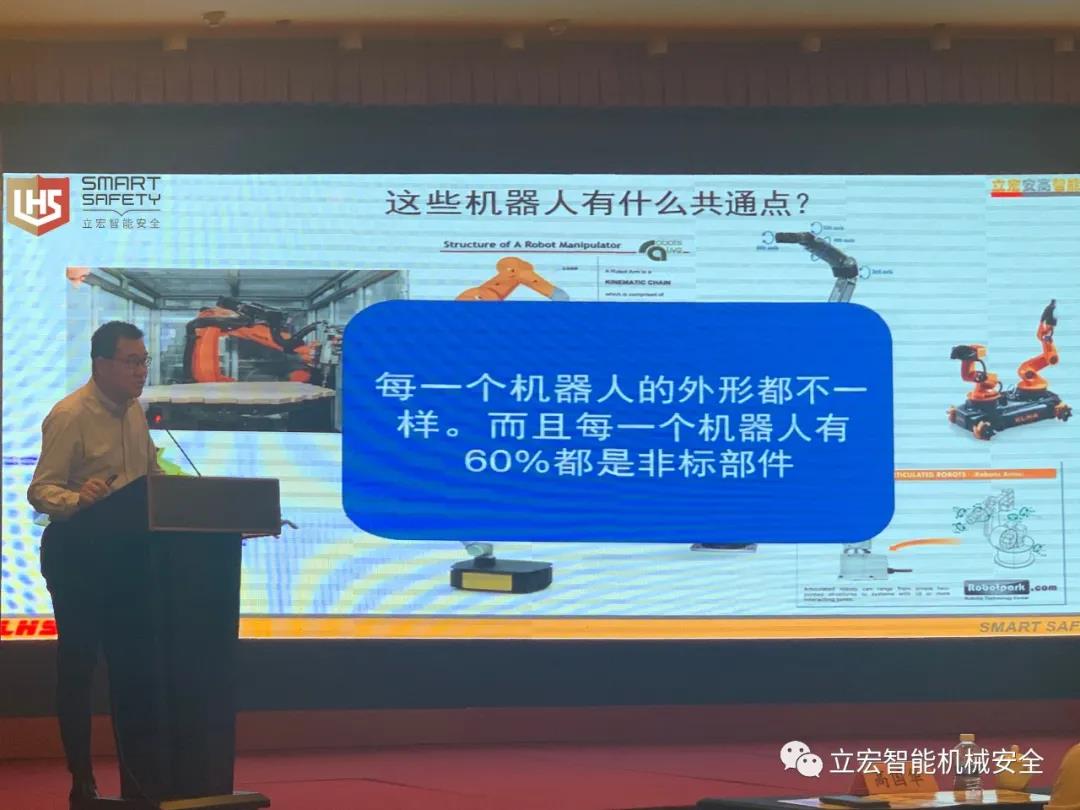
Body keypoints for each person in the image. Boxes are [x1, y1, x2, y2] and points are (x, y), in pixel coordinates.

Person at [27, 321, 163, 809]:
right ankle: (81, 778)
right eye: (132, 362)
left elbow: (149, 477)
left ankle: (140, 778)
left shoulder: (135, 414)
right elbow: (41, 490)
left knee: (135, 668)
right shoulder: (70, 415)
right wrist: (76, 498)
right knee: (80, 667)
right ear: (101, 364)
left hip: (129, 559)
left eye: (144, 361)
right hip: (79, 556)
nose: (141, 371)